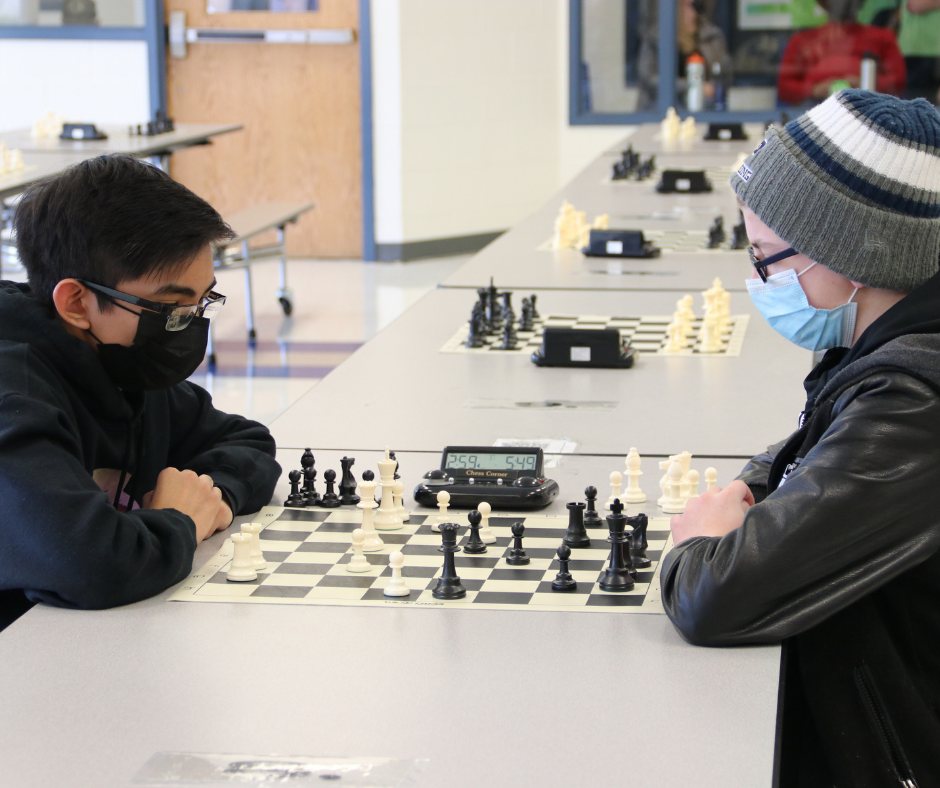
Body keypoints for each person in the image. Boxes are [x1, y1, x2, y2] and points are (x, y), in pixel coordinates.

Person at [661, 90, 940, 784]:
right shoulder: (889, 332)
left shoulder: (915, 402)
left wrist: (695, 545)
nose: (760, 282)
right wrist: (754, 487)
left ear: (854, 254)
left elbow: (717, 598)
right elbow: (825, 441)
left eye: (766, 259)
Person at [0, 155, 281, 631]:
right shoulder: (14, 393)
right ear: (76, 302)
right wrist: (180, 520)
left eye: (201, 302)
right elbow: (91, 565)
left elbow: (248, 443)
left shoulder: (120, 362)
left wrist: (210, 499)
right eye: (171, 307)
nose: (189, 327)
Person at [778, 0, 906, 105]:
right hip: (813, 110)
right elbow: (785, 87)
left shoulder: (882, 38)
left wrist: (864, 84)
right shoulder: (802, 41)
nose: (842, 4)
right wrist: (814, 90)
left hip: (868, 108)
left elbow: (898, 82)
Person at [637, 0, 733, 111]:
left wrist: (712, 88)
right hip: (660, 112)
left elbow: (723, 74)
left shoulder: (712, 36)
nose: (693, 11)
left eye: (696, 6)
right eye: (688, 6)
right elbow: (649, 78)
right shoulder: (657, 37)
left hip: (705, 110)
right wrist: (691, 86)